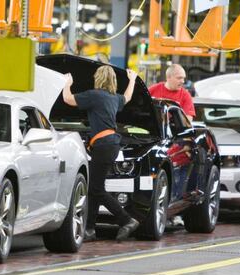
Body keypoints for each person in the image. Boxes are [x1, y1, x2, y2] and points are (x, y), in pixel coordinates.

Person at [63, 66, 139, 242]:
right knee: (94, 188)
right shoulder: (114, 98)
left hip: (103, 145)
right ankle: (89, 229)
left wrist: (68, 83)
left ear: (98, 78)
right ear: (113, 80)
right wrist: (132, 80)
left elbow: (68, 99)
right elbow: (127, 98)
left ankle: (127, 220)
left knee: (96, 189)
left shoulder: (94, 95)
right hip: (110, 144)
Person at [149, 64, 195, 226]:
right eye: (179, 77)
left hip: (177, 146)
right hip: (156, 141)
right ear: (169, 77)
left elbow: (188, 120)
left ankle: (174, 214)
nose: (182, 81)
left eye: (183, 77)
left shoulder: (185, 96)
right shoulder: (154, 90)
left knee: (177, 184)